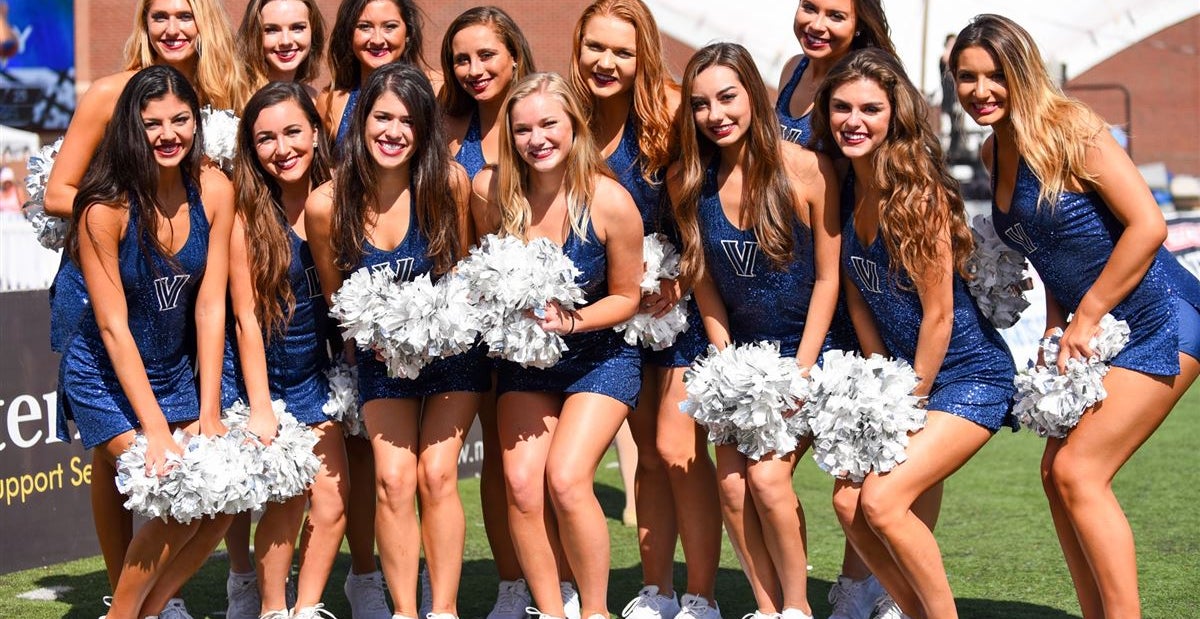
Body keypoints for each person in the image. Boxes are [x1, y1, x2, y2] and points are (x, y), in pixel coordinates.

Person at [952, 15, 1200, 618]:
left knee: (1080, 472)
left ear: (1022, 72)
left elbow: (1149, 226)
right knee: (1055, 473)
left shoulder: (1073, 128)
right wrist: (1058, 325)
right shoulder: (992, 148)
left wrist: (1086, 317)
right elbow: (1047, 249)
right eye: (966, 76)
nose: (981, 90)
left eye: (995, 75)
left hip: (1162, 314)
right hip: (1093, 323)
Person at [42, 3, 244, 611]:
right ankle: (125, 608)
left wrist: (208, 412)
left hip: (170, 343)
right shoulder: (105, 201)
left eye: (181, 121)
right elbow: (109, 325)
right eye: (153, 124)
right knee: (166, 483)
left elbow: (212, 309)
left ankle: (150, 607)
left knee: (217, 497)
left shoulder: (212, 180)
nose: (168, 133)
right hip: (107, 340)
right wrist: (156, 430)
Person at [809, 47, 1017, 619]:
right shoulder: (846, 190)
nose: (854, 120)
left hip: (967, 375)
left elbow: (940, 316)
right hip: (905, 377)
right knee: (851, 506)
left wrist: (909, 400)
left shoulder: (915, 194)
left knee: (881, 499)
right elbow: (856, 295)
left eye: (870, 109)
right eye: (841, 108)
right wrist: (881, 379)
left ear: (893, 116)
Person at [307, 61, 487, 619]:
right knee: (391, 479)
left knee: (436, 476)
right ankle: (405, 610)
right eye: (382, 117)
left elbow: (466, 275)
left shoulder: (448, 184)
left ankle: (445, 609)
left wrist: (437, 327)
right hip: (381, 361)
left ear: (425, 128)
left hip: (453, 355)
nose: (393, 131)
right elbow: (338, 301)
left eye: (408, 121)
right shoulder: (326, 205)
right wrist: (376, 339)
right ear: (361, 124)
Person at [668, 42, 838, 619]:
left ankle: (797, 608)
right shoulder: (688, 179)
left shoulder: (808, 169)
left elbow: (828, 282)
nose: (715, 114)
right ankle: (767, 609)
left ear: (755, 96)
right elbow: (703, 282)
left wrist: (802, 371)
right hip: (741, 362)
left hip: (811, 353)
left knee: (766, 481)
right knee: (733, 486)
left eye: (727, 97)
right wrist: (726, 359)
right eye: (700, 104)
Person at [567, 3, 723, 619]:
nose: (607, 62)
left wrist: (683, 274)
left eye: (623, 52)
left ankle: (703, 595)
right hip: (616, 318)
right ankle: (657, 589)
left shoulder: (671, 112)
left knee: (679, 447)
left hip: (679, 308)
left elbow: (710, 205)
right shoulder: (569, 118)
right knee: (648, 454)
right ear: (577, 47)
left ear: (644, 55)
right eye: (595, 48)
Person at [471, 71, 643, 619]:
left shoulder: (610, 201)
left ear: (574, 126)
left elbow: (627, 297)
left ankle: (594, 611)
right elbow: (480, 276)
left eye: (549, 123)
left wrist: (573, 323)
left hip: (599, 355)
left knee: (566, 478)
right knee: (522, 485)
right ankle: (550, 609)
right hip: (527, 361)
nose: (536, 139)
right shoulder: (494, 195)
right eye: (522, 129)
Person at [220, 82, 350, 619]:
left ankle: (307, 608)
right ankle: (273, 607)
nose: (282, 148)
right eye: (265, 138)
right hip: (263, 375)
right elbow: (246, 319)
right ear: (251, 149)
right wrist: (260, 406)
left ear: (317, 134)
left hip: (315, 374)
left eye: (293, 131)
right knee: (287, 496)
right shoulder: (248, 215)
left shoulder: (341, 198)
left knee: (333, 502)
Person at [438, 7, 537, 618]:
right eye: (461, 59)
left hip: (540, 326)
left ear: (515, 57)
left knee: (521, 465)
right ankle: (510, 586)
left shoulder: (547, 118)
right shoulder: (447, 132)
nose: (474, 70)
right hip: (463, 321)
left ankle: (551, 582)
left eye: (486, 56)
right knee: (459, 468)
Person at [776, 0, 895, 147]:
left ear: (860, 25)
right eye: (809, 8)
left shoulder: (863, 86)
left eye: (836, 16)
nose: (816, 25)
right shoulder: (793, 67)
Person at [318, 0, 427, 149]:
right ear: (349, 34)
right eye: (364, 27)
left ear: (408, 33)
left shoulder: (432, 92)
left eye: (390, 27)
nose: (377, 40)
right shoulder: (331, 102)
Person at [235, 0, 327, 98]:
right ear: (253, 35)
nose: (285, 41)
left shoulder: (313, 98)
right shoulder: (238, 97)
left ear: (313, 31)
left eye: (297, 28)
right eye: (271, 30)